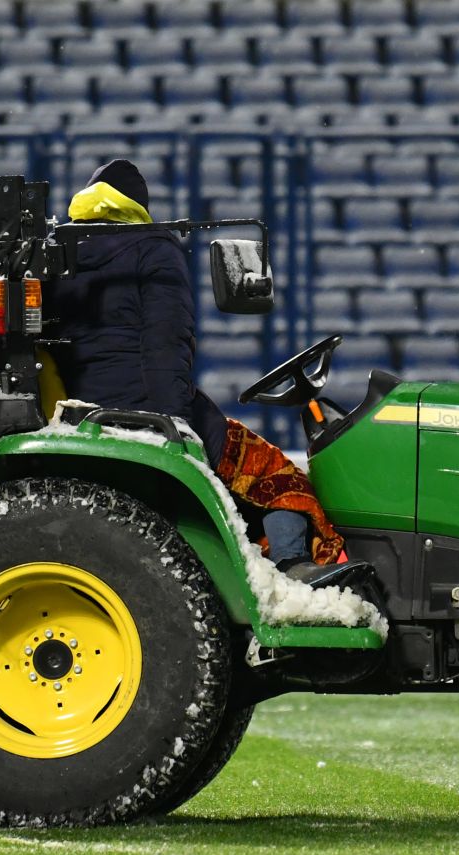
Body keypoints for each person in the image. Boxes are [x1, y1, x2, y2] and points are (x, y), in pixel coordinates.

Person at [45, 160, 345, 576]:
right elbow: (165, 346)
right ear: (137, 206)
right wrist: (180, 433)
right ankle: (291, 566)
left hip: (83, 414)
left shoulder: (54, 254)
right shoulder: (151, 247)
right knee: (281, 478)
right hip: (151, 411)